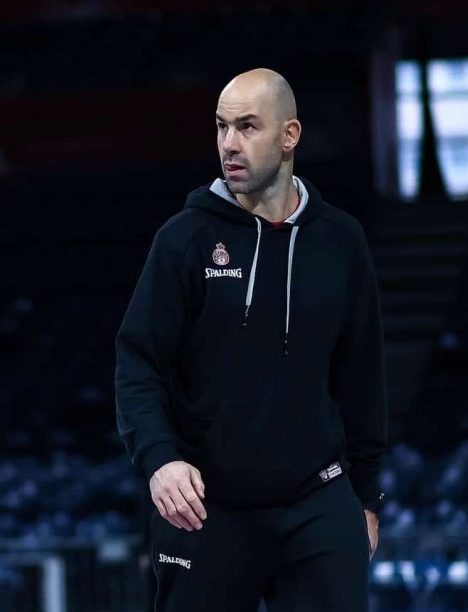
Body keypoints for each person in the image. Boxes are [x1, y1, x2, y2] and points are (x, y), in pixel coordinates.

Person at [116, 68, 387, 612]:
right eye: (220, 127)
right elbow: (138, 364)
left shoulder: (340, 241)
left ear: (290, 136)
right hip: (205, 505)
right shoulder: (184, 240)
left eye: (246, 127)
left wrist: (367, 498)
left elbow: (362, 377)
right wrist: (160, 460)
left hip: (318, 500)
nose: (228, 145)